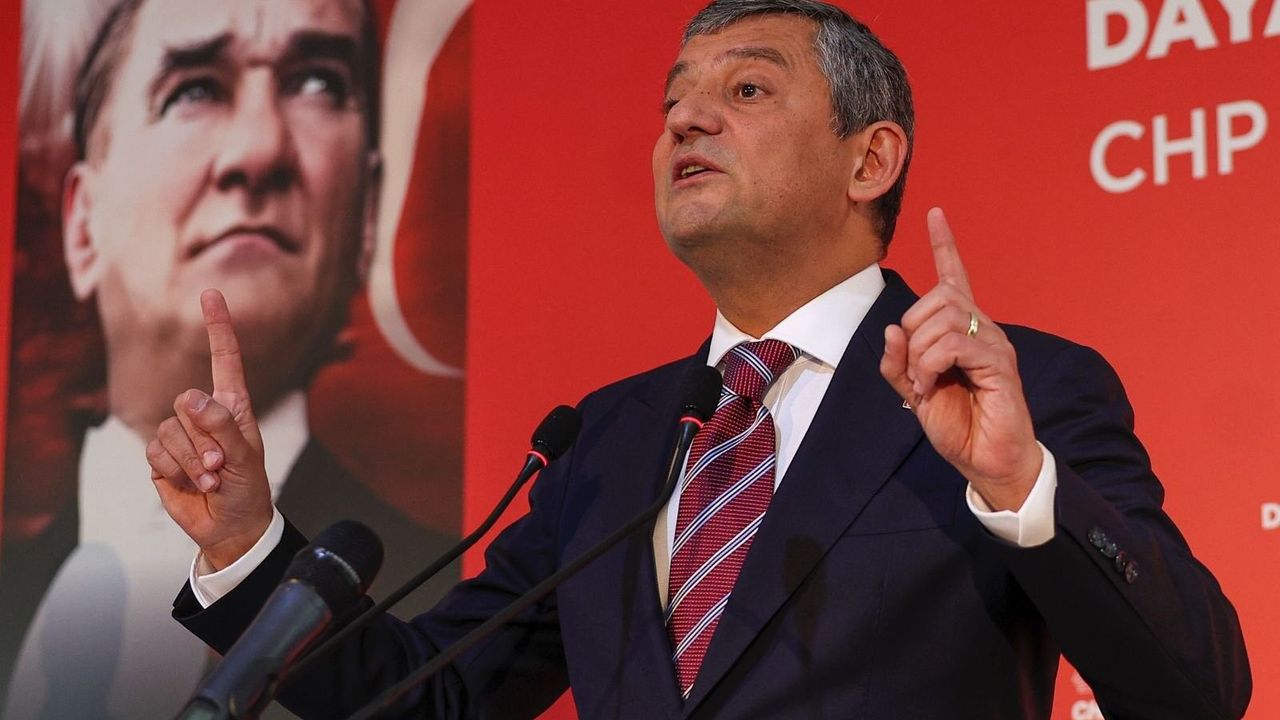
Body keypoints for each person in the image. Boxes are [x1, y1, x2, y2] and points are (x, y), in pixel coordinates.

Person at [150, 1, 1251, 718]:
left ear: (870, 159)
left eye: (745, 91)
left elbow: (1193, 689)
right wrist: (246, 542)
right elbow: (428, 700)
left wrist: (1018, 484)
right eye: (671, 102)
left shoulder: (1017, 391)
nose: (685, 121)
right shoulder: (610, 439)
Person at [0, 1, 456, 717]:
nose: (258, 150)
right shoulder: (16, 577)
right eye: (195, 89)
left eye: (317, 83)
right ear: (82, 226)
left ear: (368, 212)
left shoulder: (432, 605)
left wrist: (246, 547)